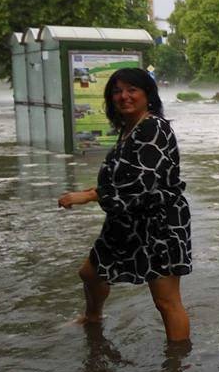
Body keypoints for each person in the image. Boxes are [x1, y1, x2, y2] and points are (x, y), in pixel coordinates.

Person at [58, 68, 192, 342]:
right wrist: (96, 190)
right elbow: (122, 176)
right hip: (126, 221)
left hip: (159, 223)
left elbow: (141, 181)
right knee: (91, 273)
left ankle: (178, 367)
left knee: (166, 301)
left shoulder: (154, 127)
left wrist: (91, 196)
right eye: (117, 91)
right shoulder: (129, 129)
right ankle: (92, 318)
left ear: (147, 95)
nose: (124, 96)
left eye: (132, 90)